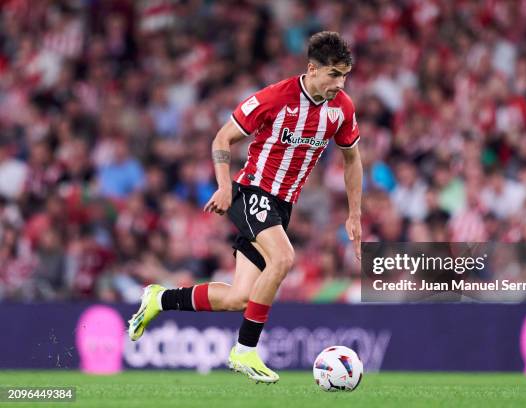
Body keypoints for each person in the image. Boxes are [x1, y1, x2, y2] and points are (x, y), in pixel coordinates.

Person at [128, 31, 362, 383]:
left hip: (282, 206)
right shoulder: (275, 97)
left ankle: (160, 298)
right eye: (333, 74)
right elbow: (223, 137)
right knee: (283, 259)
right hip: (251, 192)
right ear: (312, 69)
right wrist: (224, 186)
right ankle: (245, 350)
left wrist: (354, 213)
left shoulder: (342, 108)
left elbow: (352, 159)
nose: (339, 83)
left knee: (239, 297)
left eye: (344, 75)